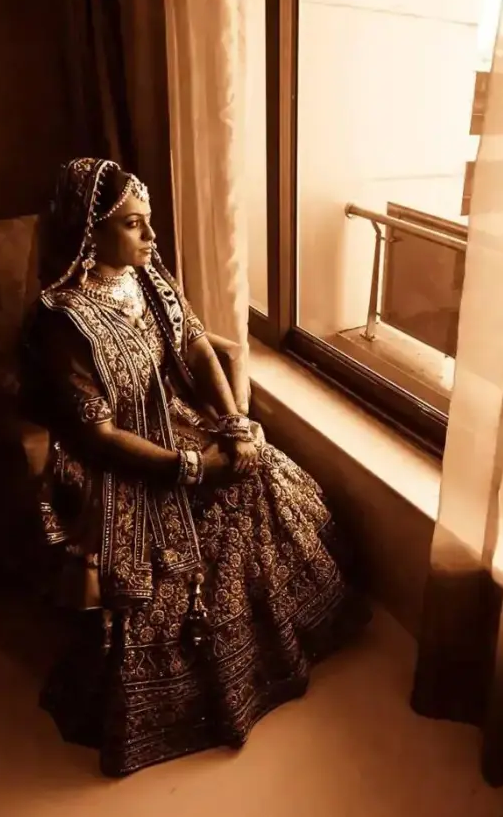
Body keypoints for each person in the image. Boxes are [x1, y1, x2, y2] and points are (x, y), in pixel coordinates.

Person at [22, 157, 370, 777]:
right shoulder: (63, 320)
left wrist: (233, 421)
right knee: (186, 537)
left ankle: (282, 644)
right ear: (90, 231)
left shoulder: (149, 278)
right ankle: (200, 691)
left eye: (148, 223)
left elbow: (195, 345)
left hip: (177, 419)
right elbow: (96, 435)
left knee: (261, 470)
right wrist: (190, 468)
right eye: (134, 225)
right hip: (117, 459)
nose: (152, 239)